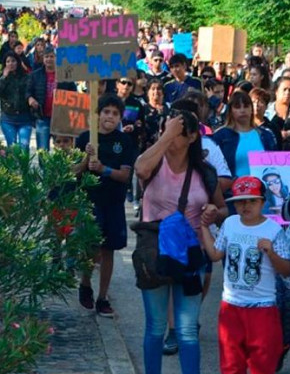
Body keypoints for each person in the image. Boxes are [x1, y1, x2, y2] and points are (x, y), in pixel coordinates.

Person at [135, 101, 226, 374]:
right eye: (169, 127)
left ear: (193, 137)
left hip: (191, 256)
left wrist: (213, 212)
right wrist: (167, 134)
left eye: (180, 130)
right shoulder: (153, 162)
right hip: (155, 255)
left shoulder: (205, 172)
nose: (173, 134)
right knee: (156, 327)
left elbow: (223, 210)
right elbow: (140, 169)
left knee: (187, 331)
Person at [199, 176, 290, 374]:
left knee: (263, 365)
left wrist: (271, 254)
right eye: (240, 201)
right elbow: (215, 254)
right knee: (231, 366)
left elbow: (286, 270)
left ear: (263, 202)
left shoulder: (274, 230)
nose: (246, 205)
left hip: (263, 308)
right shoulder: (230, 223)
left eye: (252, 200)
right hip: (231, 307)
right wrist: (204, 228)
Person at [75, 95, 137, 317]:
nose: (110, 116)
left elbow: (125, 175)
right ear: (98, 114)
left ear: (120, 118)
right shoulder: (85, 138)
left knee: (108, 249)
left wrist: (104, 169)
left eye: (115, 113)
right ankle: (85, 283)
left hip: (113, 202)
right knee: (91, 247)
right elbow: (73, 172)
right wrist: (86, 158)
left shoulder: (125, 141)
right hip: (90, 200)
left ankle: (103, 297)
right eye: (106, 112)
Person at [211, 90, 277, 179]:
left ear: (251, 109)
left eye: (246, 106)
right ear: (230, 111)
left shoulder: (266, 135)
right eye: (237, 107)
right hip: (231, 191)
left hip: (262, 190)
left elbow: (275, 166)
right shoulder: (220, 136)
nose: (242, 110)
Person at [27, 45, 77, 151]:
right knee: (42, 151)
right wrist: (30, 98)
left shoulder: (65, 75)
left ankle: (61, 168)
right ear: (43, 59)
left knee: (63, 150)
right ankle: (44, 168)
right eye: (47, 57)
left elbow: (74, 92)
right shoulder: (35, 75)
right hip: (42, 117)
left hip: (60, 119)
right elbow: (28, 91)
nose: (49, 59)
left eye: (51, 56)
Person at [0, 52, 33, 152]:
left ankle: (24, 168)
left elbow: (30, 92)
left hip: (24, 118)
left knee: (24, 147)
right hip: (8, 118)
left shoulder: (26, 77)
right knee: (12, 148)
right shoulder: (1, 78)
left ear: (18, 62)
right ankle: (12, 168)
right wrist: (4, 78)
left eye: (13, 61)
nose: (11, 64)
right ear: (5, 64)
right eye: (8, 61)